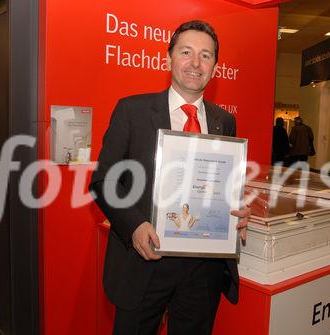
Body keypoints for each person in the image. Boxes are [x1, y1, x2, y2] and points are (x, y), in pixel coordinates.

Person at [89, 20, 250, 335]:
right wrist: (134, 225)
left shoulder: (224, 121)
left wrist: (235, 212)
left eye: (206, 56)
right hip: (145, 259)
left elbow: (221, 187)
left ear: (215, 67)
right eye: (186, 52)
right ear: (168, 59)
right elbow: (104, 180)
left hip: (203, 269)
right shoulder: (132, 111)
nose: (195, 63)